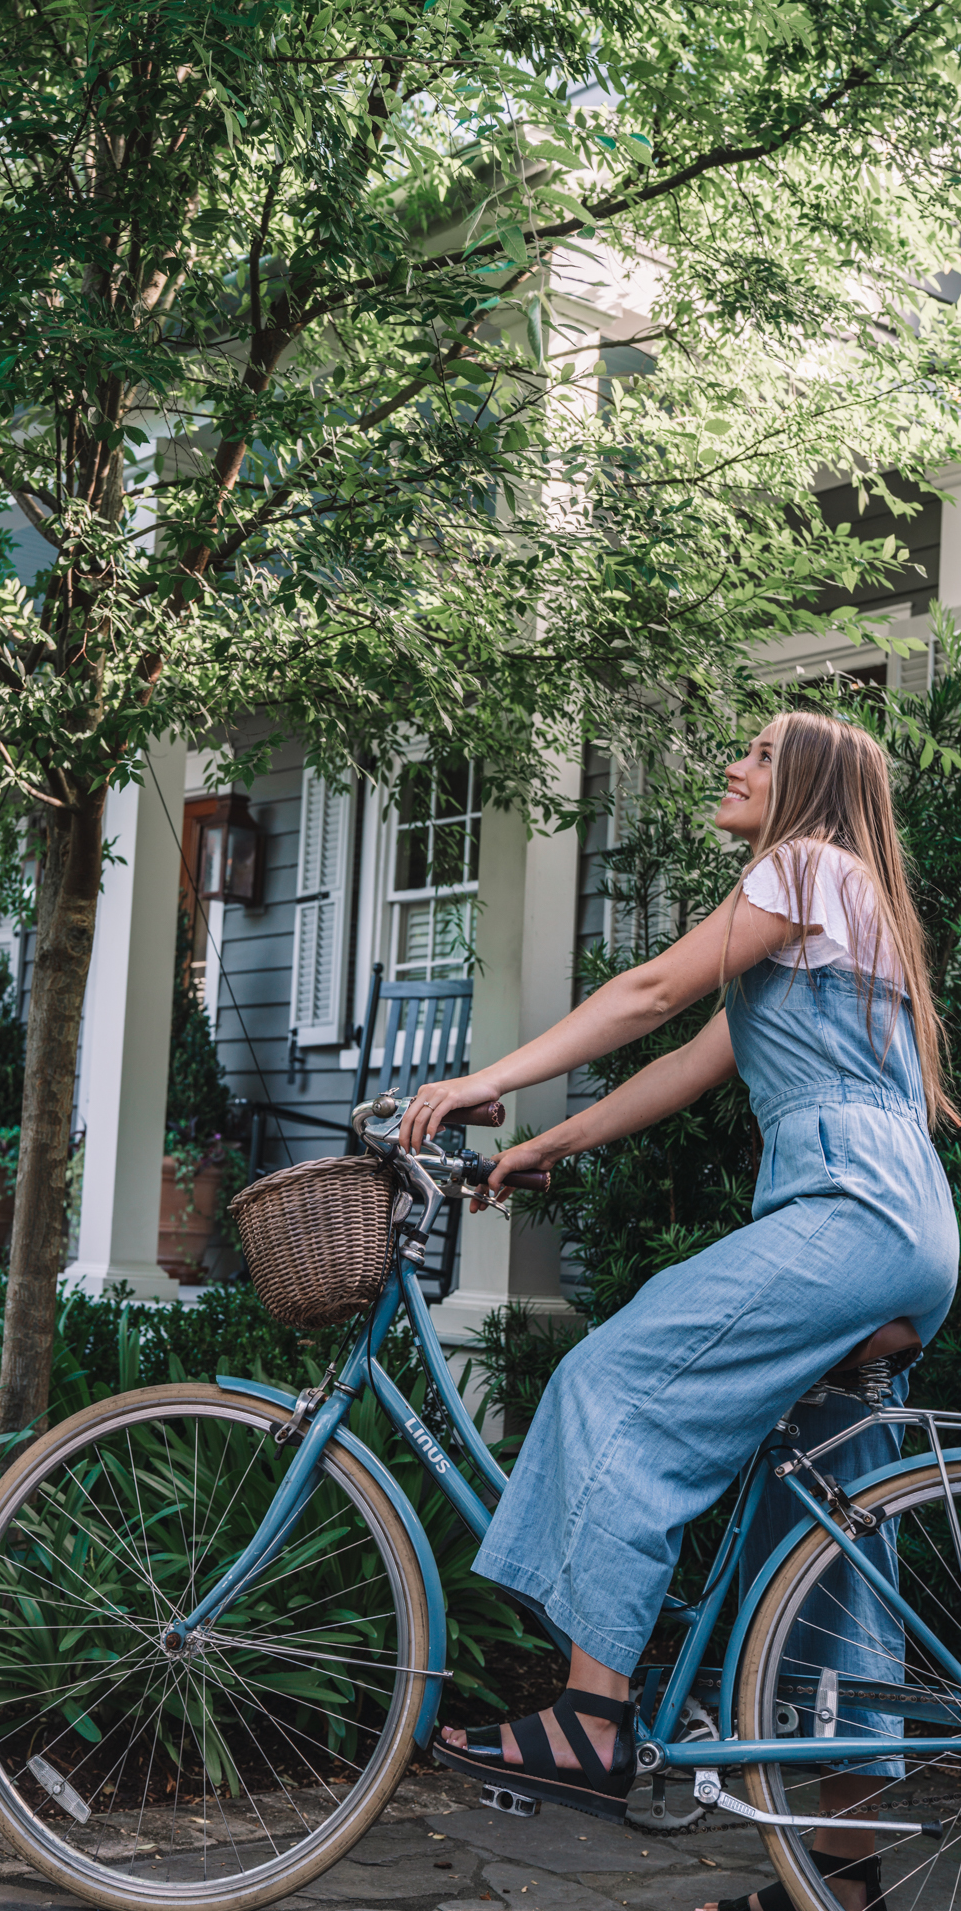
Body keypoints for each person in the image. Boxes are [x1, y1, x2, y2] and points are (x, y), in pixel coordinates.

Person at [398, 710, 959, 1911]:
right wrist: (547, 1138)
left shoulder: (803, 866)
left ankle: (591, 1718)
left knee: (615, 1382)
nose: (733, 762)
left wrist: (484, 1076)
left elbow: (650, 990)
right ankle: (840, 1882)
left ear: (804, 783)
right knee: (825, 1560)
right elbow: (686, 1061)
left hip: (846, 1213)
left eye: (757, 751)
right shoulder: (851, 911)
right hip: (905, 1233)